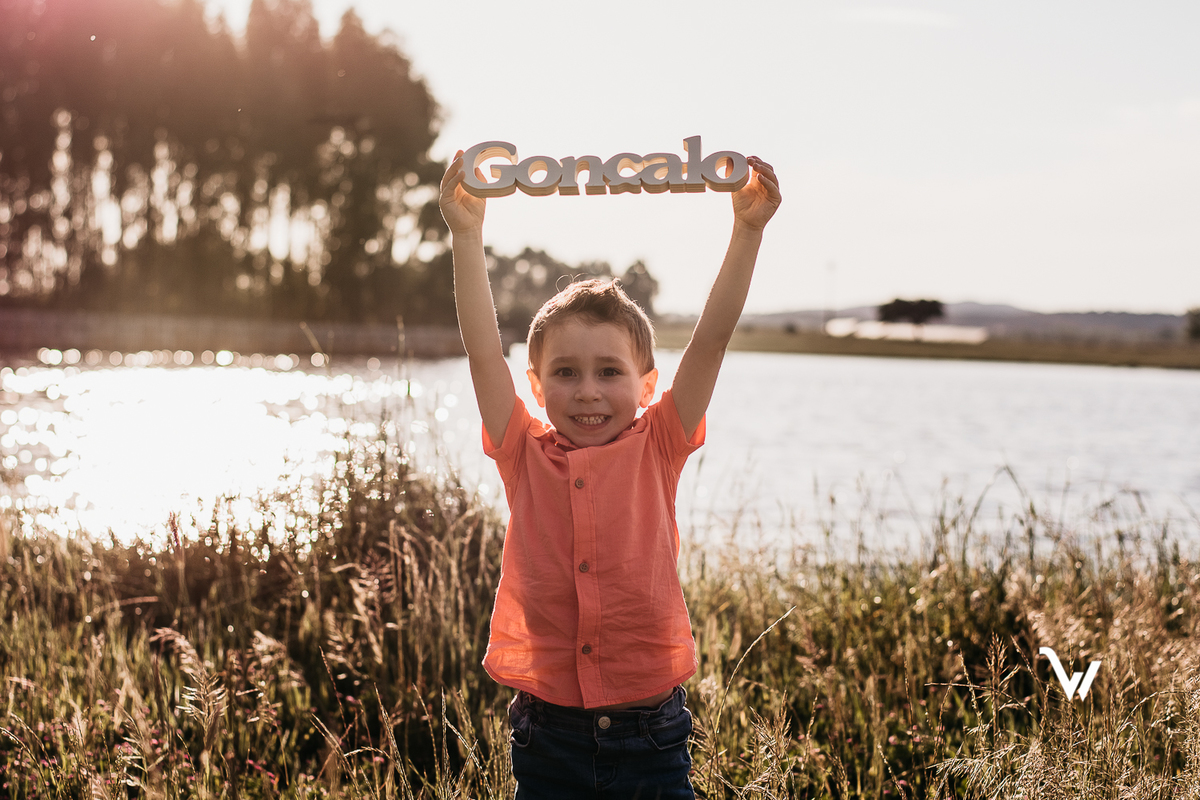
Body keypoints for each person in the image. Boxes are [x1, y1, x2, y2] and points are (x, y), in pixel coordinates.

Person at [439, 148, 781, 799]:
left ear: (646, 384)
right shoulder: (522, 449)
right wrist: (467, 235)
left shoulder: (661, 441)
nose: (589, 391)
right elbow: (484, 350)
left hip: (650, 733)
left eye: (610, 372)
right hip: (548, 736)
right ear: (536, 387)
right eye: (565, 373)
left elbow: (709, 340)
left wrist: (747, 231)